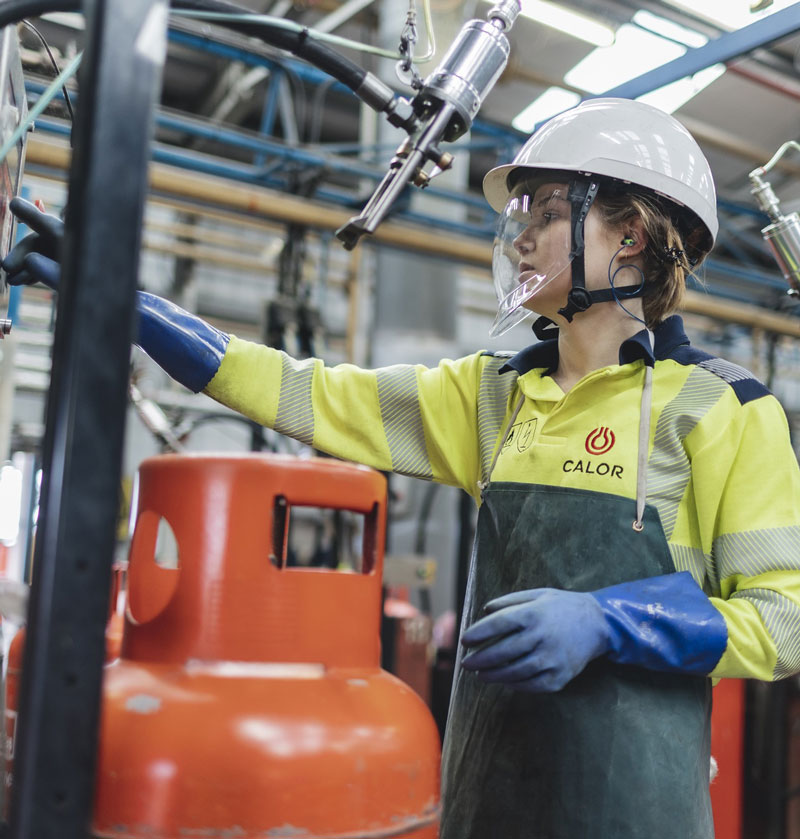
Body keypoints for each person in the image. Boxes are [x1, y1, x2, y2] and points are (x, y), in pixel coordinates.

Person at [6, 97, 800, 838]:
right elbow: (302, 390)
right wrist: (128, 304)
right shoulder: (492, 396)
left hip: (635, 811)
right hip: (486, 797)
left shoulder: (724, 408)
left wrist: (610, 623)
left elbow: (784, 615)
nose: (519, 239)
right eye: (519, 217)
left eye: (550, 215)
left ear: (631, 234)